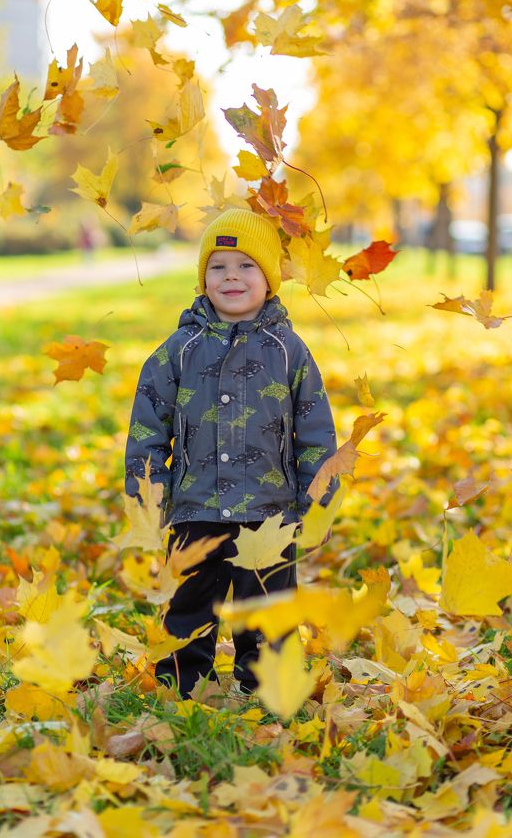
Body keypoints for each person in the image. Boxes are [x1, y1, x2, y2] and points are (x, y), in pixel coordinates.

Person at [125, 208, 337, 697]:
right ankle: (181, 685)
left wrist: (318, 497)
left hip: (269, 510)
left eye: (246, 266)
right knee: (189, 602)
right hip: (194, 507)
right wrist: (147, 494)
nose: (232, 277)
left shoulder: (289, 351)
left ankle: (267, 687)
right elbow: (147, 429)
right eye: (218, 267)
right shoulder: (177, 351)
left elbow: (315, 430)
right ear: (203, 280)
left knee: (267, 606)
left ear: (269, 279)